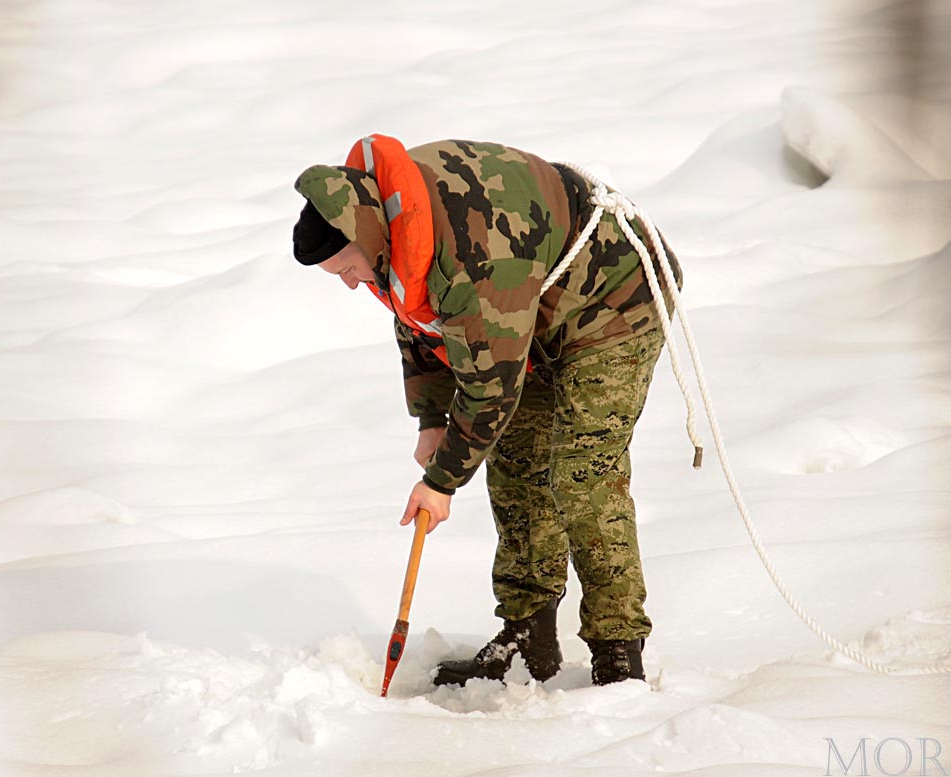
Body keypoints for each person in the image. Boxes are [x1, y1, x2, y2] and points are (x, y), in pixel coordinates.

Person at [292, 136, 681, 687]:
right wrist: (431, 418)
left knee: (582, 472)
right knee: (516, 460)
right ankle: (529, 638)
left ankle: (618, 653)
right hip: (531, 310)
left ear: (365, 235)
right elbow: (417, 314)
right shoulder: (394, 215)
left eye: (347, 267)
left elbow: (490, 389)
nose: (353, 283)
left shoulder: (472, 252)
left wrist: (442, 483)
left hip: (614, 301)